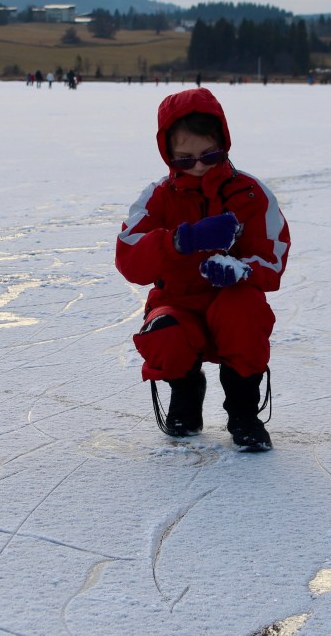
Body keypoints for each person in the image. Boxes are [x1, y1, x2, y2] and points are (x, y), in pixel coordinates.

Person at [115, 88, 290, 452]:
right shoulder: (158, 197)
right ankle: (186, 393)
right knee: (164, 331)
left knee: (245, 312)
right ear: (169, 155)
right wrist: (180, 240)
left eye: (209, 155)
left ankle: (243, 412)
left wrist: (242, 270)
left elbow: (273, 257)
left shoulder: (251, 194)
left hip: (229, 302)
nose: (197, 165)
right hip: (178, 301)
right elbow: (129, 259)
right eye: (184, 159)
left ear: (224, 143)